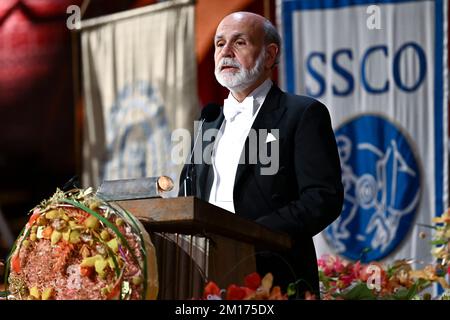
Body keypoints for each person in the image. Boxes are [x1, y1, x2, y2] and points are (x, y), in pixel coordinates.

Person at [180, 11, 343, 298]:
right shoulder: (208, 121)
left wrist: (247, 235)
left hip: (275, 275)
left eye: (239, 42)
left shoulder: (302, 114)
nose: (225, 52)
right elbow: (190, 195)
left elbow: (322, 199)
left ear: (269, 55)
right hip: (205, 277)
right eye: (219, 44)